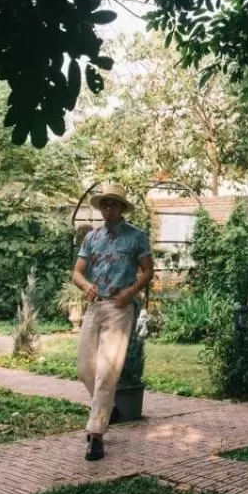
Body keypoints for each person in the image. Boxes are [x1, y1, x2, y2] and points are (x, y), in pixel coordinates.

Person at [71, 181, 153, 461]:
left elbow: (147, 271)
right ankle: (110, 408)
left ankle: (95, 435)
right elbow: (77, 273)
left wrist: (130, 293)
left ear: (121, 208)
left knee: (107, 372)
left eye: (113, 204)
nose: (108, 208)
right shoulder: (91, 237)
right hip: (95, 307)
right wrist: (85, 287)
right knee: (85, 368)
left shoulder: (136, 237)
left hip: (120, 308)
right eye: (105, 204)